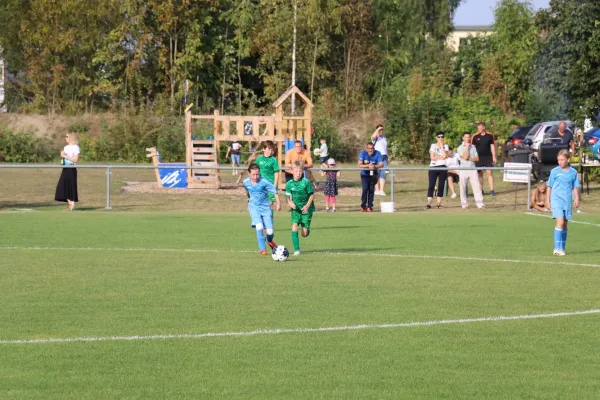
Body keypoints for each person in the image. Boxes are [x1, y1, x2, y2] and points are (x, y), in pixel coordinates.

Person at [243, 163, 281, 256]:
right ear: (249, 173)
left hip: (265, 208)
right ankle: (263, 249)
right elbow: (247, 191)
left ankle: (270, 241)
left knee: (270, 231)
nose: (256, 177)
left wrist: (278, 203)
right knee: (259, 226)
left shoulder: (264, 182)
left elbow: (274, 191)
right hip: (254, 208)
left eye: (257, 174)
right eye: (253, 174)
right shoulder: (245, 182)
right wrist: (250, 200)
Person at [547, 149, 580, 256]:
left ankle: (562, 248)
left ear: (568, 159)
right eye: (558, 160)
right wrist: (548, 200)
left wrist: (576, 198)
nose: (560, 162)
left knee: (565, 225)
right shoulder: (554, 171)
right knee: (560, 221)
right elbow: (549, 186)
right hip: (556, 199)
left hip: (567, 201)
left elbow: (575, 187)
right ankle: (556, 248)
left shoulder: (573, 172)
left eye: (562, 160)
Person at [285, 160, 315, 256]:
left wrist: (307, 205)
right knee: (294, 226)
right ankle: (297, 250)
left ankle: (306, 228)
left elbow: (311, 195)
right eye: (296, 171)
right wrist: (290, 203)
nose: (298, 173)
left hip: (306, 209)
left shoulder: (306, 182)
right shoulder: (289, 184)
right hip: (296, 210)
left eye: (300, 171)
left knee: (304, 234)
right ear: (292, 171)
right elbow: (288, 197)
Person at [457, 132, 485, 209]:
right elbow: (465, 157)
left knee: (477, 187)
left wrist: (470, 158)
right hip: (463, 169)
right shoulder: (459, 148)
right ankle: (464, 205)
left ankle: (480, 204)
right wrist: (466, 147)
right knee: (463, 188)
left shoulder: (473, 147)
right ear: (463, 138)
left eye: (469, 137)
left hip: (473, 169)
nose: (468, 139)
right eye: (466, 137)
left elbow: (477, 158)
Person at [54, 132, 80, 211]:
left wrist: (66, 156)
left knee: (71, 186)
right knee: (62, 186)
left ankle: (71, 205)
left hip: (71, 168)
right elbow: (63, 159)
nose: (65, 138)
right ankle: (70, 204)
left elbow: (75, 160)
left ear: (71, 137)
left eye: (67, 136)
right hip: (65, 168)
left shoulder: (75, 147)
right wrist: (62, 158)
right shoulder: (65, 147)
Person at [471, 121, 497, 196]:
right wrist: (473, 157)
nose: (479, 129)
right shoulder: (475, 136)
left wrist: (494, 156)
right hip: (479, 158)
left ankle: (492, 190)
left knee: (489, 173)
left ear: (484, 127)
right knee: (480, 174)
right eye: (478, 127)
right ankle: (481, 189)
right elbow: (472, 147)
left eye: (480, 127)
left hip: (488, 157)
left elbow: (492, 146)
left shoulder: (489, 135)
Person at [358, 142, 383, 212]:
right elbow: (359, 165)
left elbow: (381, 164)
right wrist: (368, 165)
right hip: (364, 174)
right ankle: (363, 206)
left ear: (374, 148)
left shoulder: (378, 153)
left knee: (371, 190)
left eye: (372, 148)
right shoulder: (363, 153)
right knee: (365, 189)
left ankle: (369, 207)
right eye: (369, 148)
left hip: (373, 175)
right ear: (366, 149)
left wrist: (374, 166)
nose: (370, 150)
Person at [426, 132, 449, 209]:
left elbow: (445, 156)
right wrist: (441, 157)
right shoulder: (433, 145)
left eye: (442, 137)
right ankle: (429, 203)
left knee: (441, 185)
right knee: (431, 185)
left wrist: (442, 146)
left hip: (443, 166)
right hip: (433, 166)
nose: (440, 138)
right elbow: (432, 157)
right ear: (436, 137)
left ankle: (438, 203)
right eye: (439, 137)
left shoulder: (446, 146)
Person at [255, 140, 280, 209]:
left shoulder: (273, 160)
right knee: (260, 206)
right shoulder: (259, 159)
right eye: (268, 149)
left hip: (271, 185)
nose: (270, 152)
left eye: (271, 150)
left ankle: (269, 219)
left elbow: (276, 174)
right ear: (263, 149)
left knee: (268, 207)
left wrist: (274, 186)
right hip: (261, 186)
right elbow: (254, 171)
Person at [371, 124, 388, 196]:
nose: (381, 131)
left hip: (384, 156)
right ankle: (377, 189)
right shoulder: (375, 138)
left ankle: (381, 190)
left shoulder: (384, 137)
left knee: (383, 173)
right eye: (380, 130)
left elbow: (385, 148)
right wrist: (377, 129)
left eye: (382, 130)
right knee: (376, 173)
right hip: (377, 156)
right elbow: (372, 137)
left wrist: (387, 156)